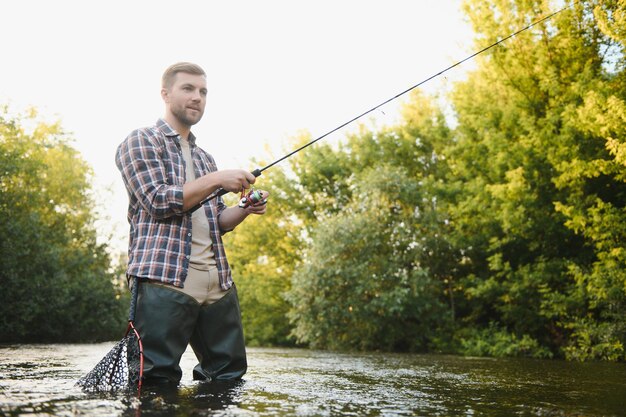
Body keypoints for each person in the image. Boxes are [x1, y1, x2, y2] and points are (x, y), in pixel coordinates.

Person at [115, 62, 269, 386]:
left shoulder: (205, 158)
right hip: (163, 280)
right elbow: (157, 201)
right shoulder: (141, 140)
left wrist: (244, 206)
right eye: (188, 89)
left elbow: (218, 222)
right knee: (154, 381)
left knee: (228, 378)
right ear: (165, 93)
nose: (197, 97)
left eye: (203, 91)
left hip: (217, 281)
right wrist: (216, 180)